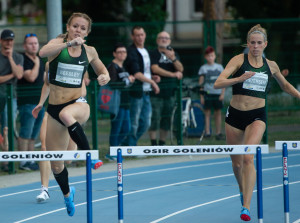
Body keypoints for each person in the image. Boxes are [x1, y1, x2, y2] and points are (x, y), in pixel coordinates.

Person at [214, 24, 300, 221]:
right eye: (252, 43)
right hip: (235, 116)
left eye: (259, 43)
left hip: (256, 117)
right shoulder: (238, 60)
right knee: (236, 165)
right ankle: (242, 191)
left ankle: (246, 206)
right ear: (248, 44)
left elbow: (285, 85)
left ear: (265, 44)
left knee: (248, 158)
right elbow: (218, 82)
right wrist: (239, 79)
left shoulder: (271, 65)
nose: (255, 46)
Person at [32, 12, 110, 216]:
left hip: (78, 104)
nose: (78, 30)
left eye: (83, 28)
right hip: (54, 109)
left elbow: (103, 70)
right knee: (57, 164)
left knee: (68, 115)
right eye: (75, 26)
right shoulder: (57, 45)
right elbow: (42, 52)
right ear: (68, 28)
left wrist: (104, 77)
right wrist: (67, 44)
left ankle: (90, 157)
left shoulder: (90, 51)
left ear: (87, 32)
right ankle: (67, 195)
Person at [35, 62, 89, 203]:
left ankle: (68, 189)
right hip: (52, 111)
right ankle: (44, 189)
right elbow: (47, 85)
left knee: (68, 158)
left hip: (71, 111)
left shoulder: (77, 62)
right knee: (45, 148)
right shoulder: (49, 64)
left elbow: (83, 88)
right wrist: (41, 103)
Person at [124, 26, 160, 146]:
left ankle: (127, 144)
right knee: (134, 122)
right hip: (136, 92)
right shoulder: (131, 52)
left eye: (142, 34)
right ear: (132, 37)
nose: (140, 37)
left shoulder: (146, 50)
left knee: (146, 122)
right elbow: (137, 73)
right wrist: (152, 82)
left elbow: (145, 71)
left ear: (145, 35)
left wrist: (153, 77)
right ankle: (131, 148)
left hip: (146, 92)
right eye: (137, 35)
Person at [148, 31, 183, 146]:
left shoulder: (174, 53)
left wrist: (173, 58)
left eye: (166, 38)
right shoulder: (153, 53)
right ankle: (153, 144)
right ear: (157, 40)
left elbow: (180, 69)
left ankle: (162, 143)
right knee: (154, 118)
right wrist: (173, 74)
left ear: (170, 41)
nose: (164, 40)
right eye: (161, 38)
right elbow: (155, 69)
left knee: (167, 119)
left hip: (171, 92)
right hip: (156, 92)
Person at [17, 33, 45, 171]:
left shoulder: (39, 59)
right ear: (25, 45)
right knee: (25, 133)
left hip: (39, 103)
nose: (34, 46)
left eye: (35, 43)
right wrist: (37, 63)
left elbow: (45, 79)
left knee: (33, 135)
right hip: (27, 102)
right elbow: (31, 77)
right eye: (30, 43)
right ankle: (23, 161)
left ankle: (31, 159)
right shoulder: (22, 59)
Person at [105, 43, 135, 161]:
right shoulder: (112, 66)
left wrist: (129, 81)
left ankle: (116, 149)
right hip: (116, 103)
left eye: (124, 52)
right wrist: (127, 81)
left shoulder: (123, 66)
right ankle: (112, 151)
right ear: (114, 54)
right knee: (116, 128)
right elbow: (112, 83)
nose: (122, 54)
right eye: (119, 52)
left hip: (125, 102)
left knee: (126, 128)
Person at [0, 29, 23, 172]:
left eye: (11, 40)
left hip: (11, 97)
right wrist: (11, 75)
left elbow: (19, 75)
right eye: (6, 40)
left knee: (7, 127)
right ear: (1, 41)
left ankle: (6, 163)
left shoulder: (17, 57)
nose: (9, 43)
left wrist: (10, 58)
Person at [198, 46, 225, 140]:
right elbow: (200, 83)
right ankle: (208, 132)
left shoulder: (219, 67)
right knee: (207, 113)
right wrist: (201, 96)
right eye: (208, 56)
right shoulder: (203, 68)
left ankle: (218, 133)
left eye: (212, 55)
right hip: (207, 93)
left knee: (218, 113)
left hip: (217, 93)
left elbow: (223, 81)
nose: (210, 57)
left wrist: (222, 93)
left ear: (214, 56)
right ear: (205, 57)